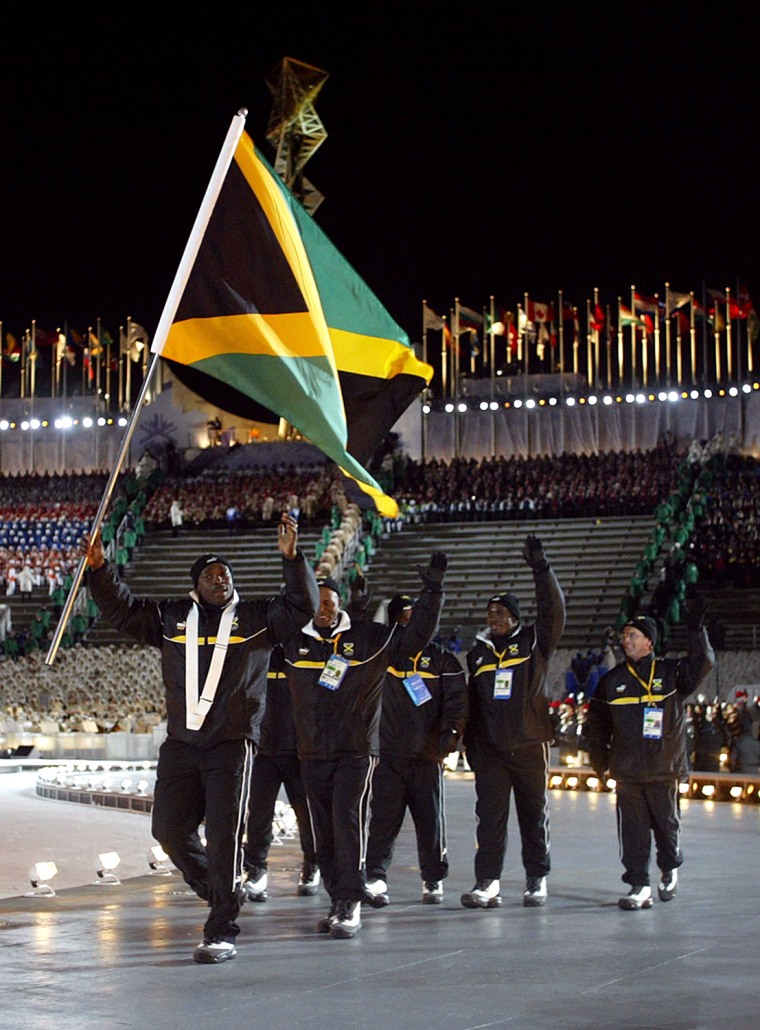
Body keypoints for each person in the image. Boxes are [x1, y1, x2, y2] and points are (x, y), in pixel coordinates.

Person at [79, 512, 318, 964]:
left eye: (225, 574)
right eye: (210, 574)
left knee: (226, 834)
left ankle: (221, 929)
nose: (219, 579)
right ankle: (220, 889)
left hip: (232, 741)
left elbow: (301, 606)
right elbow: (124, 611)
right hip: (182, 743)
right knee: (168, 828)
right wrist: (99, 569)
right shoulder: (171, 617)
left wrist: (292, 559)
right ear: (197, 584)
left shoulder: (254, 617)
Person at [281, 553, 447, 939]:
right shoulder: (293, 643)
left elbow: (416, 636)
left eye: (329, 601)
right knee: (323, 832)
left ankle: (350, 903)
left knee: (347, 822)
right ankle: (337, 898)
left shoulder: (368, 640)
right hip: (311, 754)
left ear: (340, 605)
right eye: (316, 601)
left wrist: (432, 591)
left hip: (355, 752)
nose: (323, 608)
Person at [586, 605, 715, 911]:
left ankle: (669, 867)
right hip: (627, 770)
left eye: (632, 635)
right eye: (624, 635)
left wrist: (697, 632)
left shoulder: (672, 673)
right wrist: (599, 763)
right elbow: (597, 726)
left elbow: (704, 662)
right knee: (632, 830)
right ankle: (638, 884)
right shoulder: (612, 680)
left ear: (649, 641)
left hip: (663, 767)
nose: (625, 640)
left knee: (666, 826)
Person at [461, 534, 565, 910]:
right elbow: (471, 704)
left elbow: (554, 610)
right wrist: (471, 746)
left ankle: (536, 878)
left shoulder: (535, 643)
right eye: (489, 614)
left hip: (528, 745)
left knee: (533, 815)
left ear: (516, 619)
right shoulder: (477, 654)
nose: (493, 619)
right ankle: (487, 882)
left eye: (500, 613)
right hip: (489, 750)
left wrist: (541, 568)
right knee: (488, 818)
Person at [364, 592, 467, 907]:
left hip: (426, 756)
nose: (413, 624)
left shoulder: (442, 660)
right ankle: (376, 876)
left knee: (430, 821)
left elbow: (456, 702)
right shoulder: (382, 655)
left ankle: (433, 878)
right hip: (387, 756)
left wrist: (450, 734)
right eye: (405, 618)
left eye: (416, 617)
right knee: (383, 819)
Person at [242, 646, 320, 901]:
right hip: (263, 751)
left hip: (300, 752)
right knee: (258, 815)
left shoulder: (305, 654)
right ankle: (255, 870)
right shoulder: (257, 654)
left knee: (308, 814)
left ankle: (312, 864)